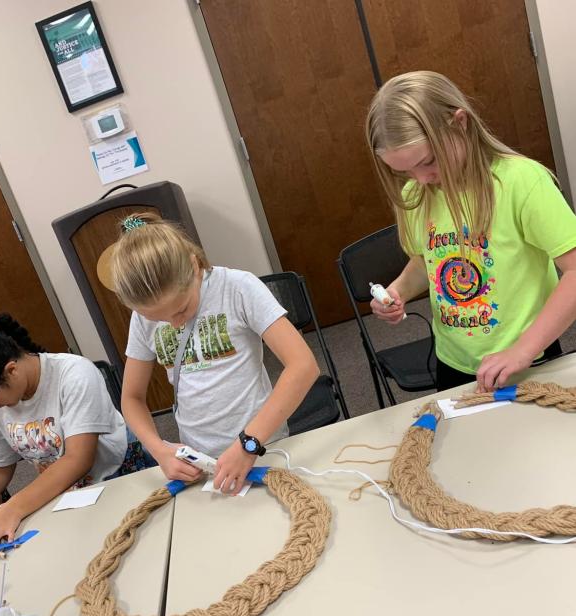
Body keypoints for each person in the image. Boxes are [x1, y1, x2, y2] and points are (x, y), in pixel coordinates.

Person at [365, 70, 576, 392]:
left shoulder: (521, 182)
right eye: (405, 171)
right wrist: (398, 291)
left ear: (460, 123)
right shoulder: (416, 195)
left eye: (429, 161)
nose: (421, 178)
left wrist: (523, 350)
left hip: (528, 357)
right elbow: (429, 260)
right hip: (453, 360)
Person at [105, 212, 319, 495]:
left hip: (261, 444)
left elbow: (303, 366)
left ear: (194, 266)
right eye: (159, 319)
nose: (174, 323)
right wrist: (159, 450)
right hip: (201, 462)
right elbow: (131, 398)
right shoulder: (143, 318)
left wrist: (248, 443)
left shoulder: (237, 287)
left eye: (180, 310)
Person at [0, 313, 150, 561]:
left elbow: (78, 459)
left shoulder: (74, 374)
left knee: (133, 553)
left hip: (118, 477)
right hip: (63, 492)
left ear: (12, 371)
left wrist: (12, 508)